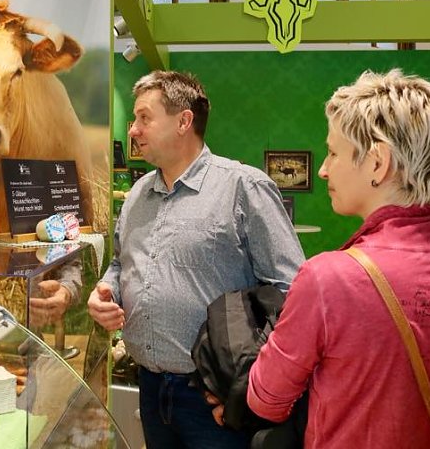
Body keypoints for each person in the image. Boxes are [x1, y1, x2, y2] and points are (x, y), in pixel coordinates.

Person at [245, 69, 430, 448]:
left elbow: (266, 400)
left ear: (377, 162)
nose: (323, 168)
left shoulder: (327, 278)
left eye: (334, 152)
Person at [87, 70, 304, 449]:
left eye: (144, 118)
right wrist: (106, 291)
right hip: (151, 388)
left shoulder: (243, 188)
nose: (133, 130)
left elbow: (291, 292)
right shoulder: (138, 193)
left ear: (184, 121)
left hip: (214, 398)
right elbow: (121, 263)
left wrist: (250, 384)